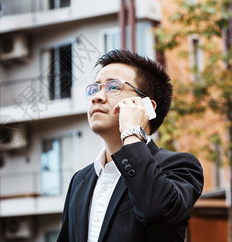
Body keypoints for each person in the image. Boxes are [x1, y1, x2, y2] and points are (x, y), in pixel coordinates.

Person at [57, 49, 204, 242]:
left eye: (113, 87)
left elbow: (155, 211)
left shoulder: (179, 166)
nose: (97, 97)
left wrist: (132, 132)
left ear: (147, 106)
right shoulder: (80, 181)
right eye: (95, 88)